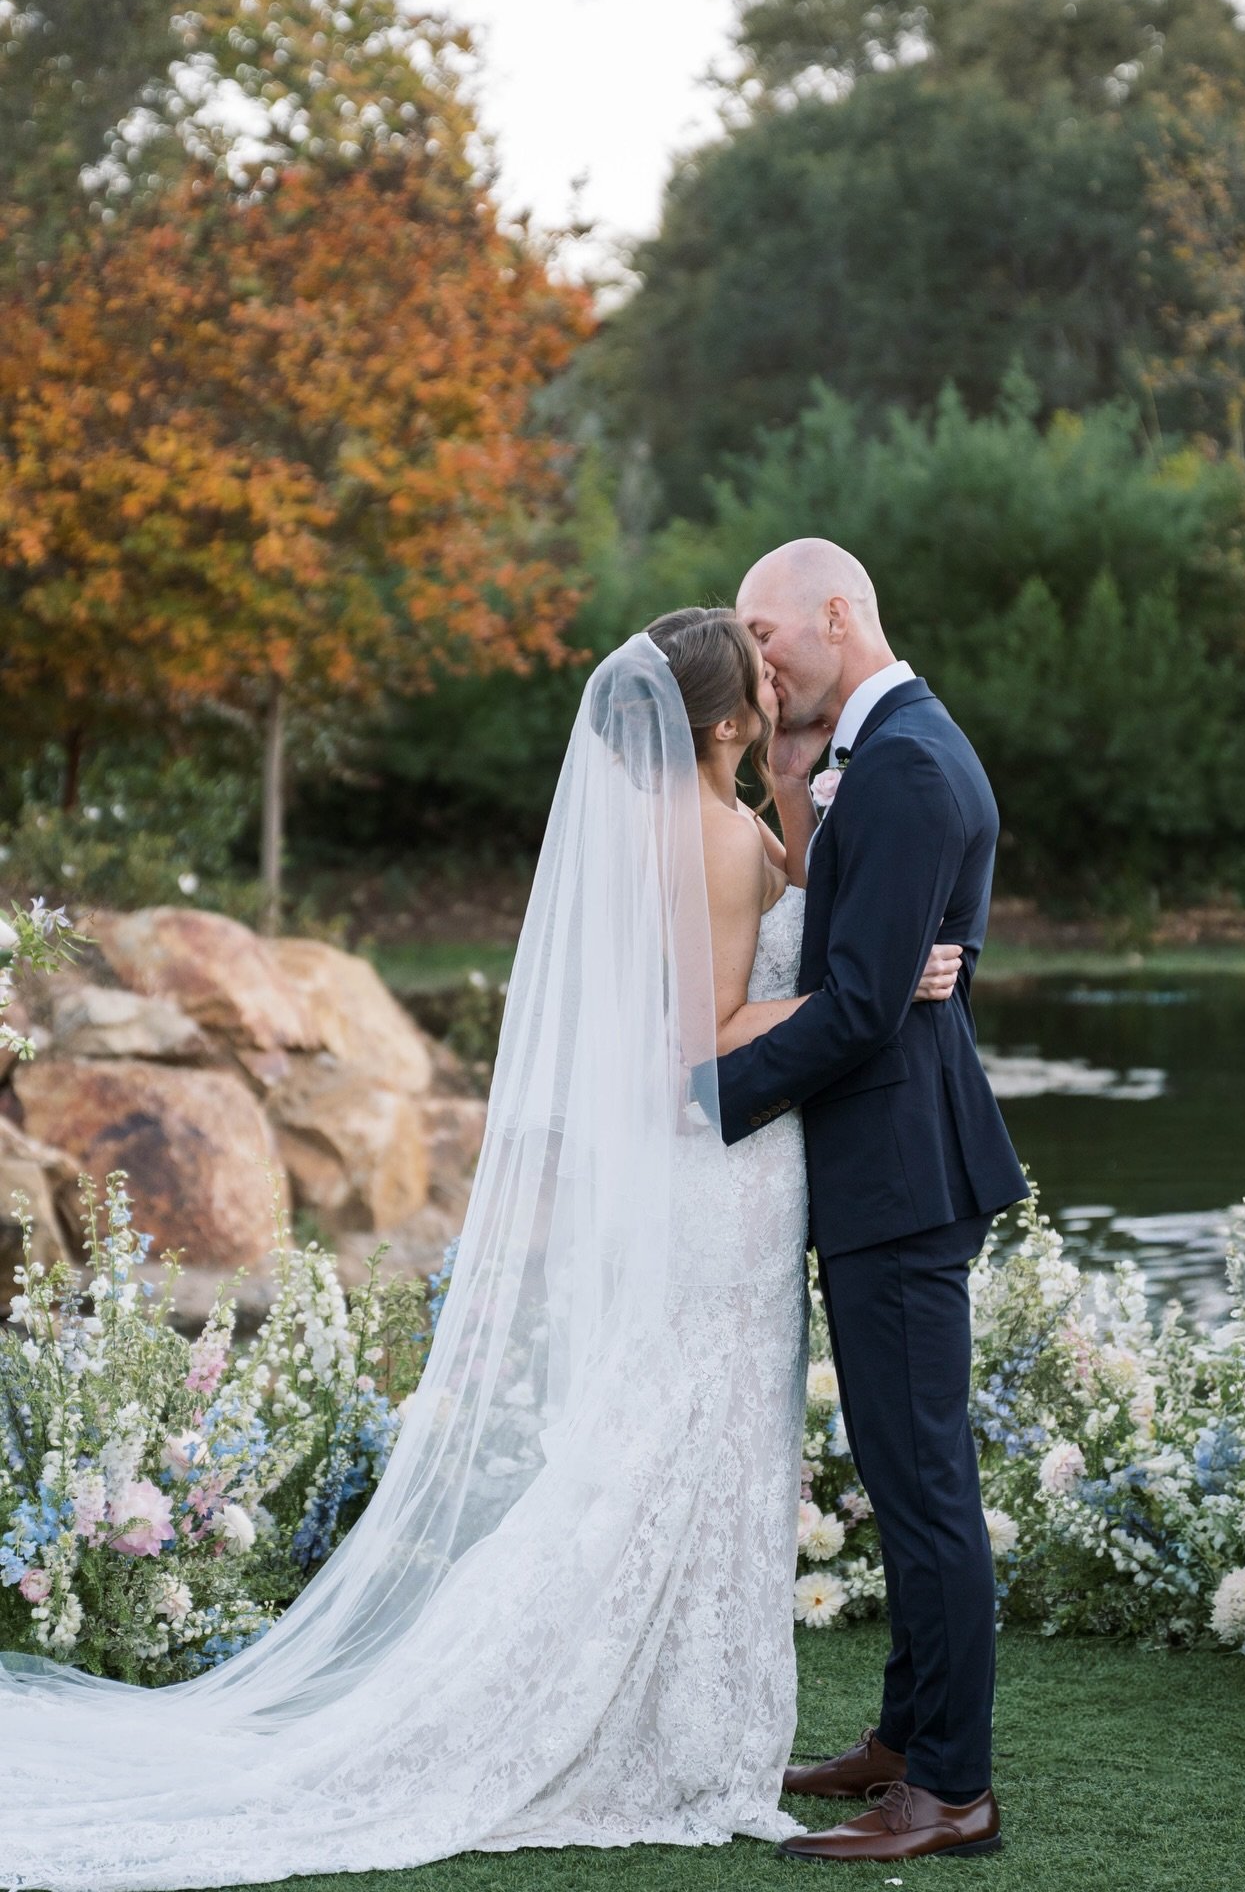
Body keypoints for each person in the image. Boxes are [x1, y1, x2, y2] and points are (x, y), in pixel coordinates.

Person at [0, 609, 961, 1890]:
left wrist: (792, 797)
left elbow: (771, 902)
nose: (785, 686)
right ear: (726, 721)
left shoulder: (710, 825)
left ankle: (698, 1713)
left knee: (705, 1433)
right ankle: (664, 1724)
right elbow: (706, 1033)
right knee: (693, 1433)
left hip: (737, 1172)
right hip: (727, 1173)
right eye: (765, 678)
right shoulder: (707, 844)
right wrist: (875, 990)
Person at [719, 538, 1030, 1866]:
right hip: (899, 1160)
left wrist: (699, 1096)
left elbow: (857, 1010)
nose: (757, 660)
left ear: (839, 613)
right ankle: (905, 1736)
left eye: (767, 632)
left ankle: (949, 1786)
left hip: (898, 1176)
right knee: (912, 1478)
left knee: (924, 1489)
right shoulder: (904, 742)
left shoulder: (903, 762)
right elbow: (911, 957)